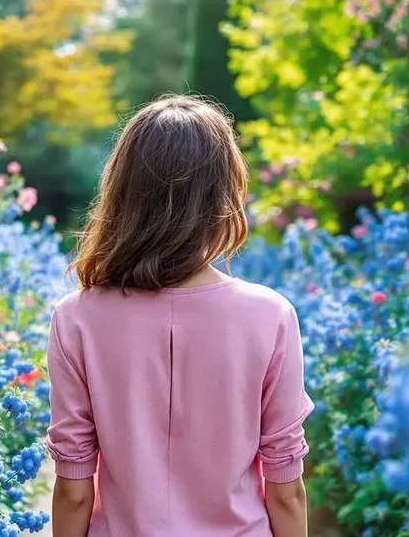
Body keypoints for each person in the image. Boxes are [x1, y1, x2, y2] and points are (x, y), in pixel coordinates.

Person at [46, 95, 314, 537]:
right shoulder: (271, 315)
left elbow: (74, 490)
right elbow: (285, 490)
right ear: (225, 193)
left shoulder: (76, 318)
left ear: (122, 191)